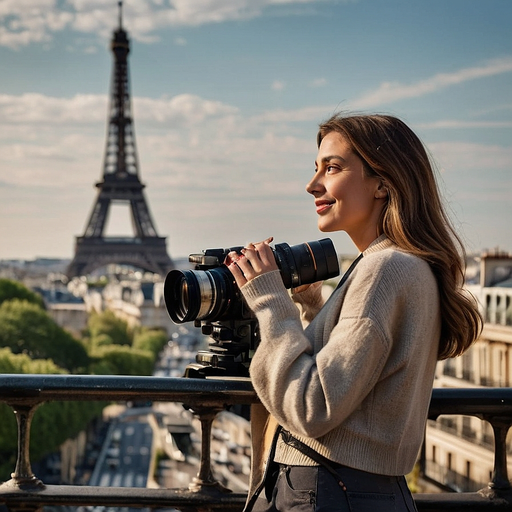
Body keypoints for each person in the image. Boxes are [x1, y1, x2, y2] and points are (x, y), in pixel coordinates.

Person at [226, 113, 482, 512]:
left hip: (326, 490)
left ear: (383, 182)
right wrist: (314, 310)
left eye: (332, 167)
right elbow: (356, 383)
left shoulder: (385, 269)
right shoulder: (397, 264)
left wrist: (270, 302)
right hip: (354, 490)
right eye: (316, 168)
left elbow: (314, 405)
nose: (312, 185)